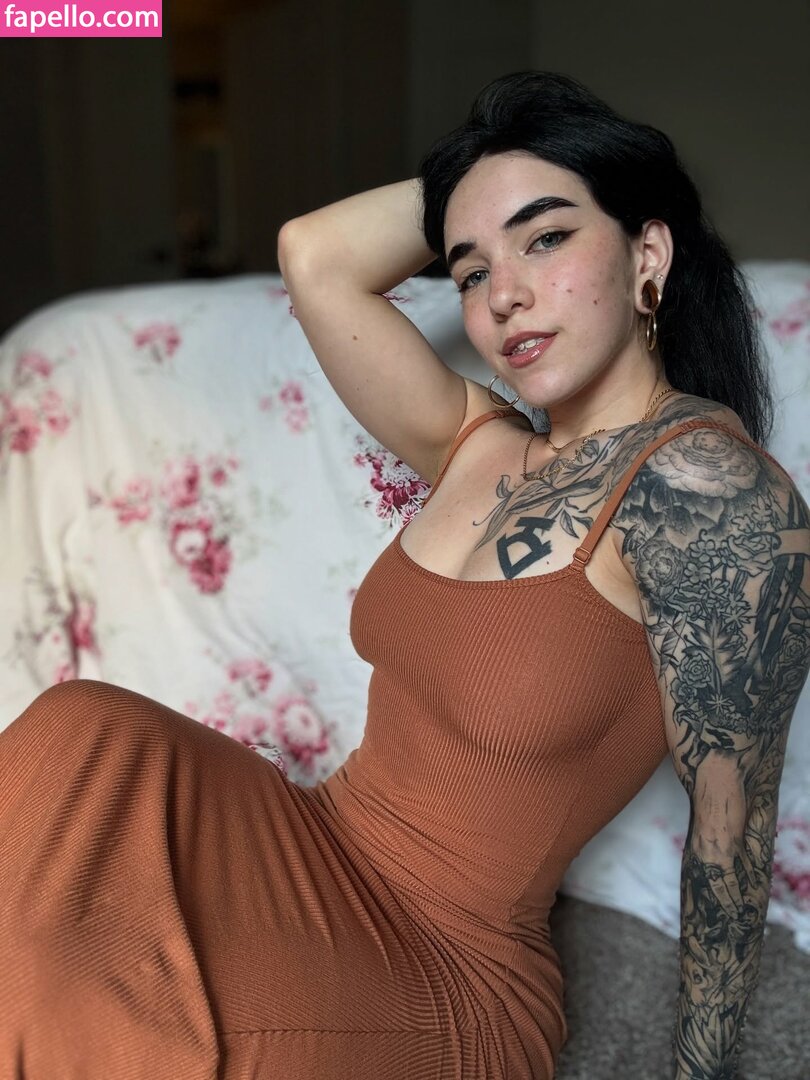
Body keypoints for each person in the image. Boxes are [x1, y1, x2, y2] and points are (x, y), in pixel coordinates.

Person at [1, 71, 808, 1080]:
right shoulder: (477, 441)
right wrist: (477, 175)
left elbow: (732, 836)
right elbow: (316, 255)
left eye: (547, 238)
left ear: (648, 254)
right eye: (471, 270)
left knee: (84, 1010)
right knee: (83, 734)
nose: (503, 294)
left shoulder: (711, 492)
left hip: (444, 965)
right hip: (308, 834)